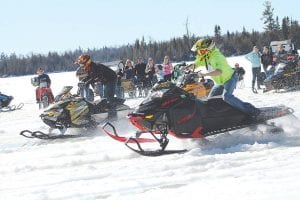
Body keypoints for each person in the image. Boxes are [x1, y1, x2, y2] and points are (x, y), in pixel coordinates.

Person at [191, 38, 260, 117]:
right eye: (199, 51)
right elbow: (197, 63)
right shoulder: (206, 56)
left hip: (230, 79)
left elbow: (219, 71)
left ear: (209, 49)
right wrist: (186, 67)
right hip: (220, 82)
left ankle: (253, 111)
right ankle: (227, 114)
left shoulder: (217, 57)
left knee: (227, 97)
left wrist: (204, 75)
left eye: (201, 51)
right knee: (211, 100)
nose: (200, 53)